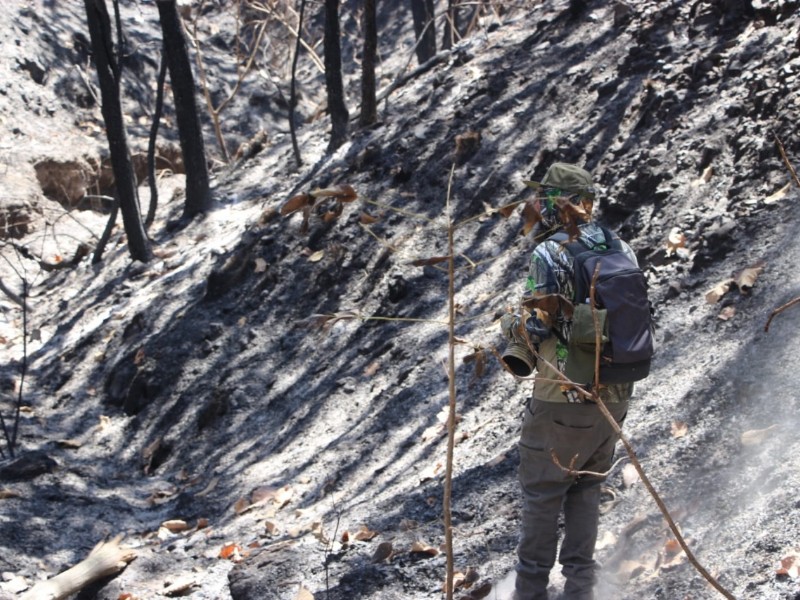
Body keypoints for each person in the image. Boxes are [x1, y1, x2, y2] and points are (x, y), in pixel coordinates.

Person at [501, 163, 637, 600]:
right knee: (587, 487)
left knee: (543, 494)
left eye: (543, 198)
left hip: (563, 394)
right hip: (615, 393)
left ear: (558, 202)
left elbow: (536, 328)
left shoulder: (550, 254)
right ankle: (582, 591)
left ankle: (530, 593)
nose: (536, 205)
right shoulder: (623, 248)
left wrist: (511, 325)